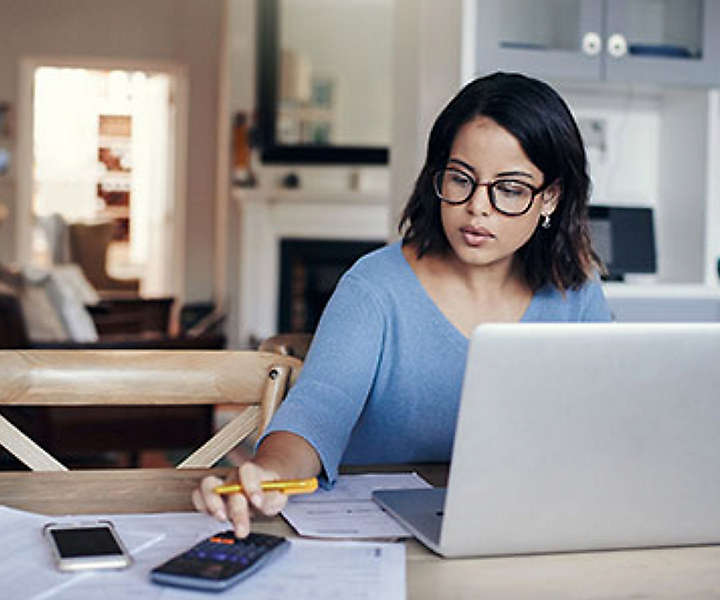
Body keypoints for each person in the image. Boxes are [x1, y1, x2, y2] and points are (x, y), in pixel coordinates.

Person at [192, 71, 612, 537]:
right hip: (380, 537)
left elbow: (604, 429)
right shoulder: (374, 287)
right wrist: (269, 473)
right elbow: (316, 413)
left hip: (522, 531)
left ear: (549, 197)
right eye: (461, 180)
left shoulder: (576, 292)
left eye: (510, 189)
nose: (478, 207)